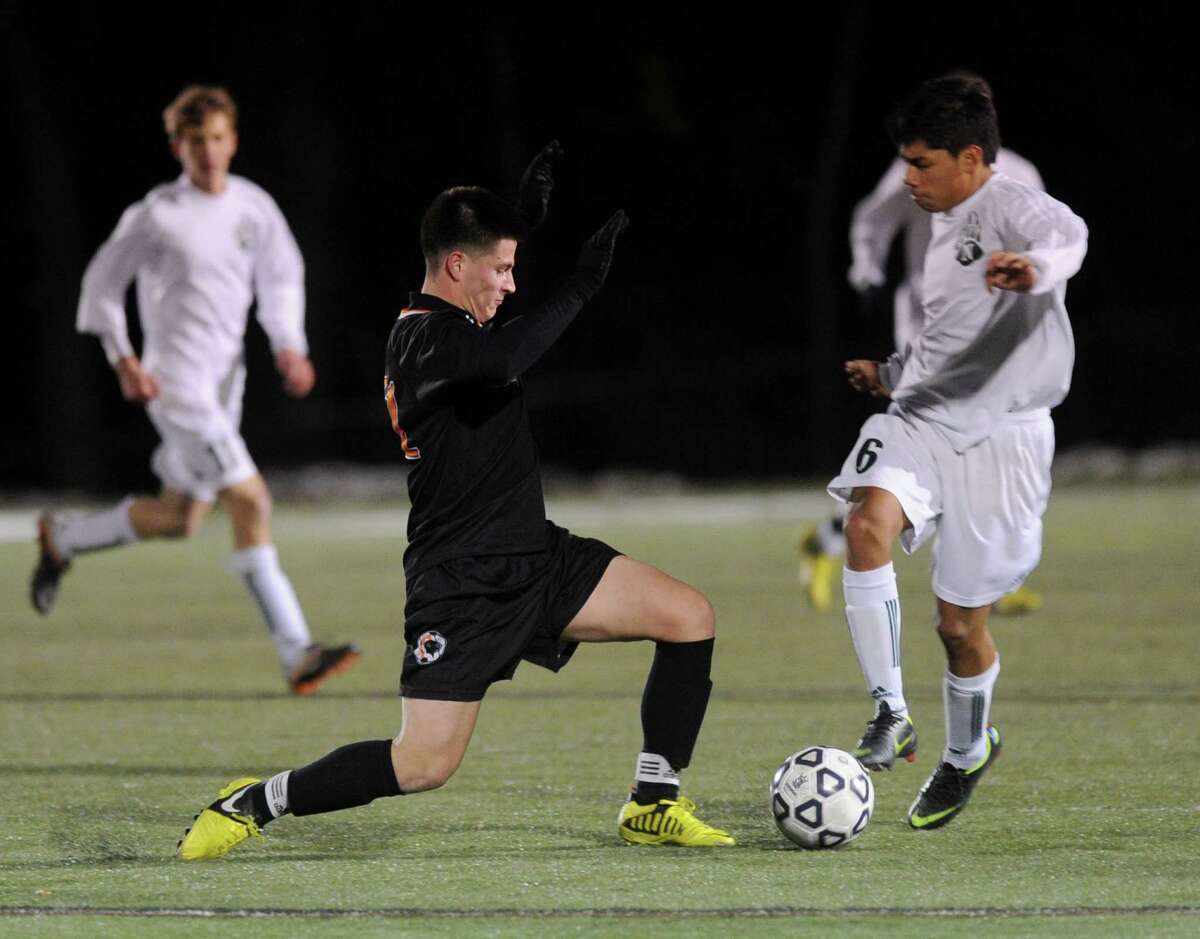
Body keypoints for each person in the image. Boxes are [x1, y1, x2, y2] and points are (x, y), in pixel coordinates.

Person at [177, 150, 734, 860]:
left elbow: (487, 310)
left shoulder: (457, 323)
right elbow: (504, 360)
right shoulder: (419, 338)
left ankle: (652, 803)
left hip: (536, 555)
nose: (511, 284)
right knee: (423, 764)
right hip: (462, 580)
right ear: (455, 267)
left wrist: (521, 224)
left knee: (689, 617)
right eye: (499, 270)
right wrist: (582, 286)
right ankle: (253, 801)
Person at [30, 85, 359, 695]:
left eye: (216, 139)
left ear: (232, 140)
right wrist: (123, 358)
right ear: (176, 145)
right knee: (253, 501)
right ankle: (297, 652)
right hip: (176, 386)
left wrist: (289, 343)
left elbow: (282, 276)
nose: (207, 152)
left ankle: (63, 538)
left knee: (181, 517)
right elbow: (101, 286)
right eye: (194, 141)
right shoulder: (157, 214)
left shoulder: (253, 207)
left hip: (224, 386)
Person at [826, 74, 1086, 829]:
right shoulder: (941, 237)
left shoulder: (1013, 202)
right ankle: (890, 712)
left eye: (921, 163)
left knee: (958, 627)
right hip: (927, 417)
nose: (908, 179)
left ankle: (968, 750)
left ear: (971, 157)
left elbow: (1068, 235)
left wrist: (1037, 269)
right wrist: (893, 375)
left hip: (1006, 438)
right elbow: (946, 346)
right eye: (905, 162)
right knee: (866, 522)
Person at [801, 74, 1046, 617]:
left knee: (979, 454)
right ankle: (839, 539)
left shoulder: (1022, 176)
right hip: (928, 333)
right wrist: (865, 266)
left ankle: (979, 575)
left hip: (997, 344)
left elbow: (1044, 251)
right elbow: (873, 217)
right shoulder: (922, 163)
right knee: (942, 452)